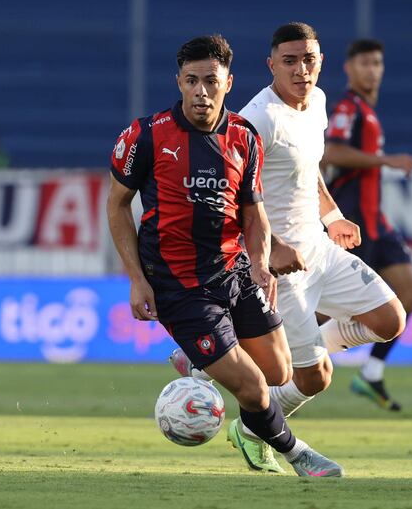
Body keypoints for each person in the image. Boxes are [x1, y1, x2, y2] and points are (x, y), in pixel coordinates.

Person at [172, 23, 406, 472]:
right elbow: (230, 194)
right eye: (290, 61)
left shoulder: (317, 102)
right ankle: (257, 418)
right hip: (283, 265)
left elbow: (310, 170)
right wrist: (270, 250)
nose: (302, 70)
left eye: (309, 59)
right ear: (271, 65)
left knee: (390, 319)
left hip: (318, 249)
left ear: (321, 61)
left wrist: (332, 216)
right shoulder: (257, 119)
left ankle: (244, 364)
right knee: (315, 378)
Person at [107, 34, 342, 477]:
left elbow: (254, 213)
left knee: (278, 372)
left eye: (211, 82)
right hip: (178, 284)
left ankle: (202, 359)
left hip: (234, 271)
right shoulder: (146, 136)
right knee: (254, 388)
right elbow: (117, 204)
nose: (201, 91)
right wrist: (137, 279)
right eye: (192, 81)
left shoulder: (243, 138)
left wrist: (259, 261)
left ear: (228, 83)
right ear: (178, 82)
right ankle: (299, 456)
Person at [322, 39, 412, 411]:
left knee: (410, 293)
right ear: (349, 68)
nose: (372, 70)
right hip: (353, 221)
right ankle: (271, 355)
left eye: (377, 63)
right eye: (365, 62)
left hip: (376, 223)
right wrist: (386, 161)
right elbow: (331, 152)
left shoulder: (369, 111)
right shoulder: (349, 106)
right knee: (317, 308)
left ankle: (372, 372)